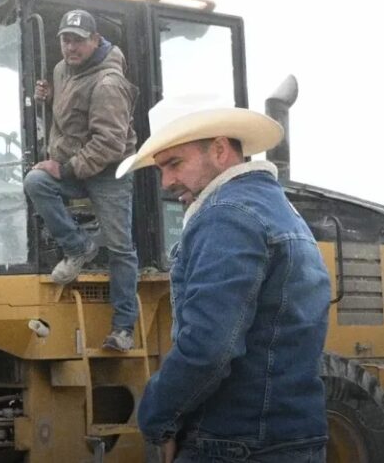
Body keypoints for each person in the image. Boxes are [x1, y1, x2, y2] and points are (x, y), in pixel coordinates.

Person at [117, 108, 330, 462]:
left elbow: (208, 347)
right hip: (295, 439)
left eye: (174, 164)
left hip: (232, 443)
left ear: (219, 150)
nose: (166, 182)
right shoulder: (281, 210)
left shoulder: (226, 215)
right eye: (160, 170)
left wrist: (157, 419)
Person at [23, 9, 139, 351]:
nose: (70, 47)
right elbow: (71, 116)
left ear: (95, 40)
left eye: (78, 40)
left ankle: (123, 328)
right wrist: (49, 98)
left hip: (109, 172)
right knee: (36, 182)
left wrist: (65, 169)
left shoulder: (109, 84)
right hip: (75, 163)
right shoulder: (62, 70)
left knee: (120, 248)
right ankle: (78, 248)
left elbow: (109, 144)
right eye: (65, 40)